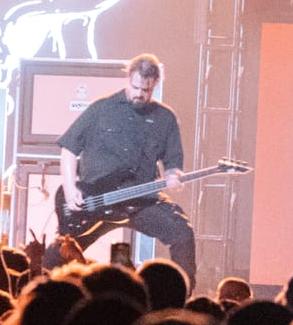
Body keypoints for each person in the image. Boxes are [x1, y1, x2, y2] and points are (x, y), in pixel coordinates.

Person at [55, 53, 197, 288]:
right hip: (96, 201)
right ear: (128, 79)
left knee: (182, 233)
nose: (140, 94)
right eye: (136, 87)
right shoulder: (101, 109)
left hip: (140, 201)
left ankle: (182, 296)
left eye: (146, 90)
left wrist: (173, 177)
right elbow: (69, 149)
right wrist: (70, 190)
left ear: (155, 84)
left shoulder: (165, 118)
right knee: (56, 254)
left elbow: (172, 164)